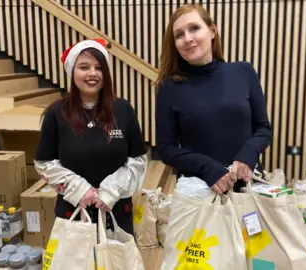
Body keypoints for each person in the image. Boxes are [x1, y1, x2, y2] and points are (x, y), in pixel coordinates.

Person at [155, 4, 272, 195]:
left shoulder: (243, 72)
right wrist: (207, 167)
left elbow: (263, 128)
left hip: (248, 186)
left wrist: (247, 154)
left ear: (212, 30)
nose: (188, 38)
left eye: (194, 28)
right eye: (179, 35)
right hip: (201, 192)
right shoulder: (169, 88)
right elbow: (166, 149)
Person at [34, 38, 148, 234]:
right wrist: (80, 190)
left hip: (116, 210)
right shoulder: (56, 112)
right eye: (84, 67)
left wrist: (110, 191)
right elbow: (44, 163)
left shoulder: (123, 109)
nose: (92, 74)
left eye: (99, 67)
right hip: (72, 212)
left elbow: (138, 160)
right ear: (72, 72)